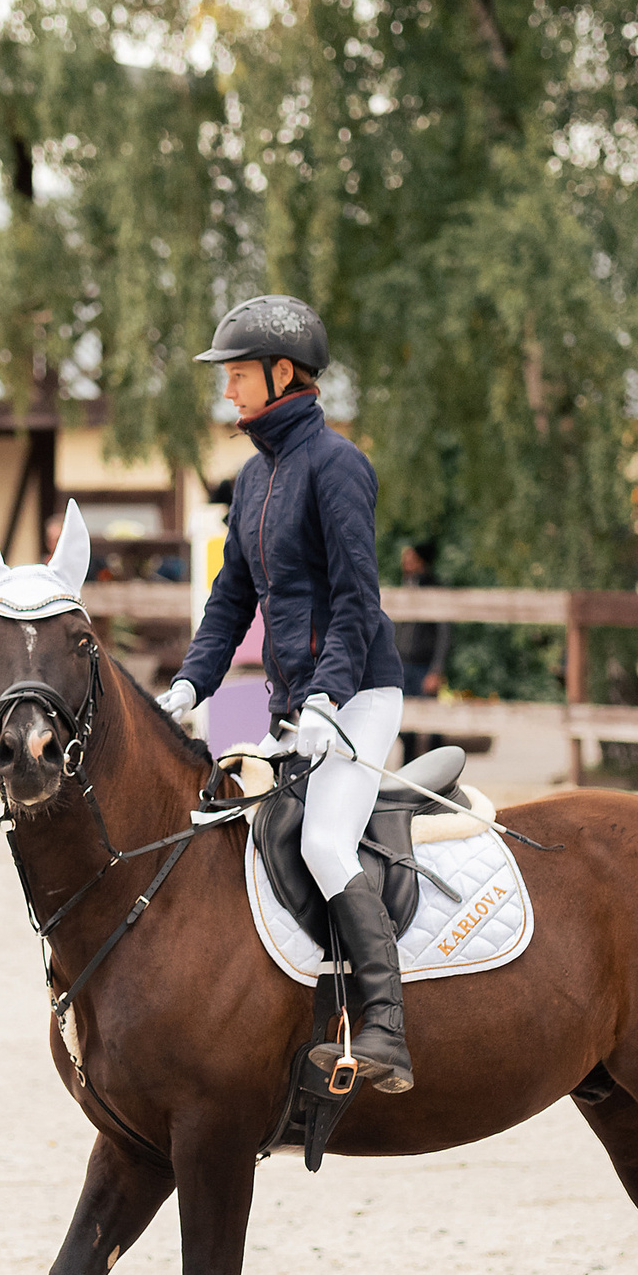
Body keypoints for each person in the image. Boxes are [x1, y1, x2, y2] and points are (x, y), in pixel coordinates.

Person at [155, 294, 414, 1094]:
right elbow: (232, 599)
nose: (226, 389)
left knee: (325, 842)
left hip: (358, 696)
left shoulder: (339, 466)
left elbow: (356, 599)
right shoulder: (252, 478)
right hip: (297, 708)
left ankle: (385, 1029)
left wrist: (329, 697)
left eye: (237, 374)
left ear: (280, 373)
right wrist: (190, 682)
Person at [394, 540, 453, 760]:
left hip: (423, 665)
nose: (405, 563)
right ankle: (408, 766)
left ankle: (437, 765)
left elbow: (444, 633)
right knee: (404, 723)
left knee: (432, 723)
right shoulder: (404, 587)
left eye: (410, 558)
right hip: (403, 663)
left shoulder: (434, 588)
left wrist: (436, 669)